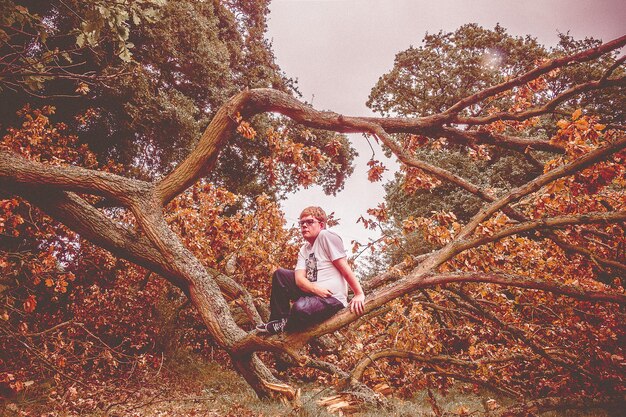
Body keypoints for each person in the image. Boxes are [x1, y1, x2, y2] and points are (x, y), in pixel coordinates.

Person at [256, 206, 365, 335]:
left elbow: (345, 268)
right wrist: (316, 290)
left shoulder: (326, 236)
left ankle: (287, 324)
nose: (304, 226)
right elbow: (299, 280)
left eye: (309, 222)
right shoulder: (304, 249)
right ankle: (278, 321)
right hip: (314, 294)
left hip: (332, 299)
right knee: (280, 275)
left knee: (300, 308)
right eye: (302, 223)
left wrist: (359, 293)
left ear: (321, 225)